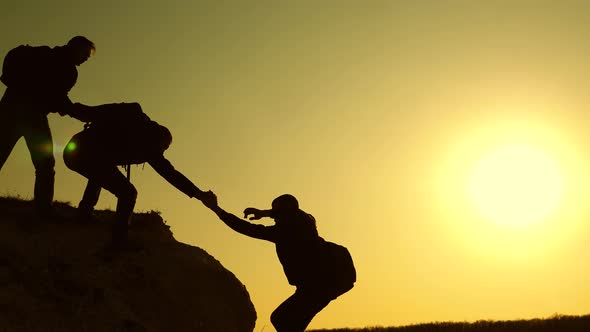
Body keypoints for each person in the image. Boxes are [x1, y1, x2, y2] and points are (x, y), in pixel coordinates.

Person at [63, 102, 215, 247]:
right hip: (84, 154)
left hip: (74, 151)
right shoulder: (149, 142)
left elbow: (94, 113)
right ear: (161, 141)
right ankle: (119, 241)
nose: (161, 153)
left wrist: (72, 108)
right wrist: (199, 194)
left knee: (101, 173)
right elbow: (171, 174)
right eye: (164, 148)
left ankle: (84, 215)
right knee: (128, 193)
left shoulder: (138, 128)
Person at [205, 193, 355, 332]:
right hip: (319, 286)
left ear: (286, 212)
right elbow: (288, 214)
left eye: (276, 212)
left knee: (281, 319)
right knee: (288, 322)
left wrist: (217, 209)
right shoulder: (304, 222)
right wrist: (264, 213)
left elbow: (248, 229)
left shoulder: (289, 230)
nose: (275, 217)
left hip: (319, 286)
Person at [0, 36, 95, 218]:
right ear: (77, 48)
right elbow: (58, 99)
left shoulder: (42, 53)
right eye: (85, 55)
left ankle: (44, 207)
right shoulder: (67, 70)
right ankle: (43, 209)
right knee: (45, 164)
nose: (85, 60)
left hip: (9, 110)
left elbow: (56, 98)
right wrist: (76, 111)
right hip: (33, 117)